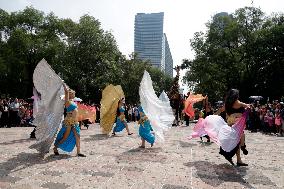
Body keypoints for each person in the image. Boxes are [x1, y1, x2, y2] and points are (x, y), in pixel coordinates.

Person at [53, 83, 86, 157]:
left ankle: (78, 152)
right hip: (68, 121)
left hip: (74, 121)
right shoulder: (67, 102)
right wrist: (63, 83)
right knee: (65, 137)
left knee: (77, 136)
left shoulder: (73, 102)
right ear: (70, 94)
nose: (74, 94)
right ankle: (55, 148)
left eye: (74, 93)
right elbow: (66, 92)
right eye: (73, 93)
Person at [221, 89, 250, 166]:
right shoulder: (237, 102)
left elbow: (221, 110)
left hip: (230, 121)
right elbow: (247, 105)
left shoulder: (227, 103)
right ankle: (242, 147)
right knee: (239, 138)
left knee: (235, 140)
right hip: (237, 121)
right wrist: (247, 108)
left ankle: (238, 158)